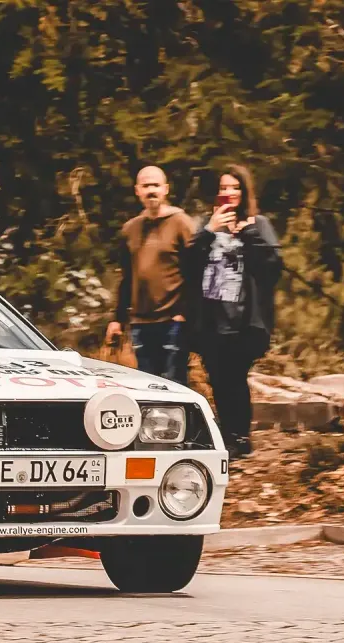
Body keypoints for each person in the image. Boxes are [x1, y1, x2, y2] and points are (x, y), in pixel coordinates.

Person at [183, 164, 282, 459]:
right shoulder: (207, 223)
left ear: (244, 191)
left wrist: (248, 232)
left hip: (244, 318)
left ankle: (240, 436)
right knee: (217, 378)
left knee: (236, 377)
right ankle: (228, 436)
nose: (229, 193)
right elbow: (187, 265)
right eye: (224, 188)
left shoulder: (258, 223)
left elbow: (272, 267)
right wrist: (209, 231)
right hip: (211, 318)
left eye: (235, 187)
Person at [106, 166, 195, 384]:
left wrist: (186, 312)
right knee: (148, 384)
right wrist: (117, 319)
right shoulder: (131, 229)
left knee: (174, 384)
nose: (151, 191)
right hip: (141, 321)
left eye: (156, 185)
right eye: (146, 186)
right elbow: (127, 277)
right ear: (137, 190)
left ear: (166, 189)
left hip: (173, 320)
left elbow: (196, 271)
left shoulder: (181, 223)